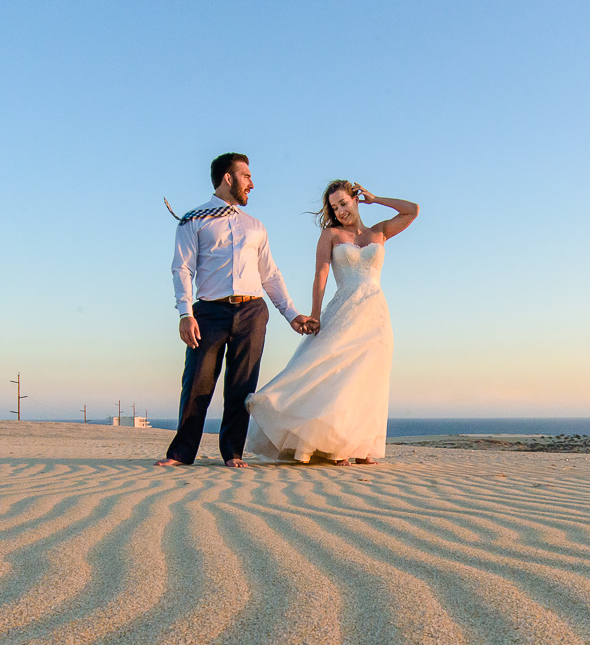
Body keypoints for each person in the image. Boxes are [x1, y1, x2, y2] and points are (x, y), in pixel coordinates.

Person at [157, 153, 317, 468]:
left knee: (242, 386)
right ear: (228, 178)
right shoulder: (193, 220)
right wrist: (184, 313)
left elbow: (270, 274)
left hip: (252, 311)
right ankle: (180, 454)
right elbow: (182, 269)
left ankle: (233, 453)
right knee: (197, 383)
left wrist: (291, 313)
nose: (252, 184)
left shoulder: (255, 226)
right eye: (246, 176)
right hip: (209, 313)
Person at [246, 181, 418, 465]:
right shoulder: (331, 234)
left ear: (356, 200)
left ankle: (360, 447)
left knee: (368, 376)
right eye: (334, 207)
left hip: (375, 311)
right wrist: (315, 314)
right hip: (345, 308)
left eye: (344, 203)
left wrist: (376, 199)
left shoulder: (380, 231)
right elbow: (320, 276)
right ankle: (332, 446)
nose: (340, 211)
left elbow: (412, 211)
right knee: (337, 372)